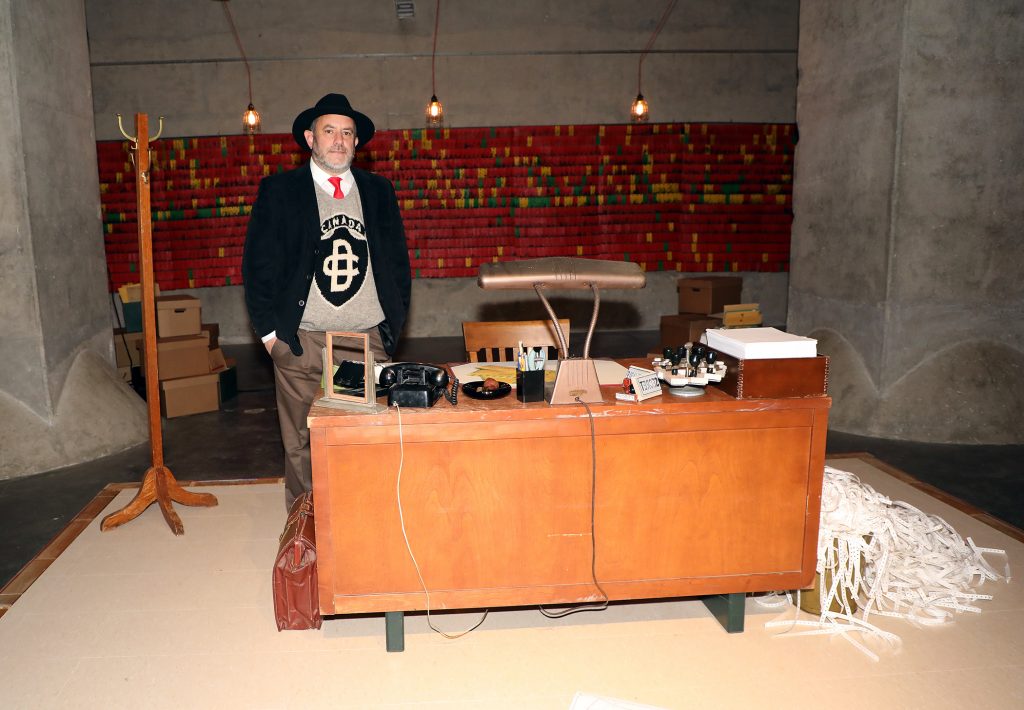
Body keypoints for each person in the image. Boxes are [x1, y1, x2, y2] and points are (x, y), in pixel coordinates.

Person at [242, 93, 411, 508]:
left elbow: (396, 263)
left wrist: (390, 329)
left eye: (347, 133)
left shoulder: (378, 191)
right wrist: (270, 336)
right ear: (310, 138)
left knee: (363, 436)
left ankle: (360, 520)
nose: (339, 140)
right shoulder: (280, 191)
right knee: (301, 440)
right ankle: (306, 528)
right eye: (329, 131)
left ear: (357, 143)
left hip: (362, 339)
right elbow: (257, 266)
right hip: (301, 338)